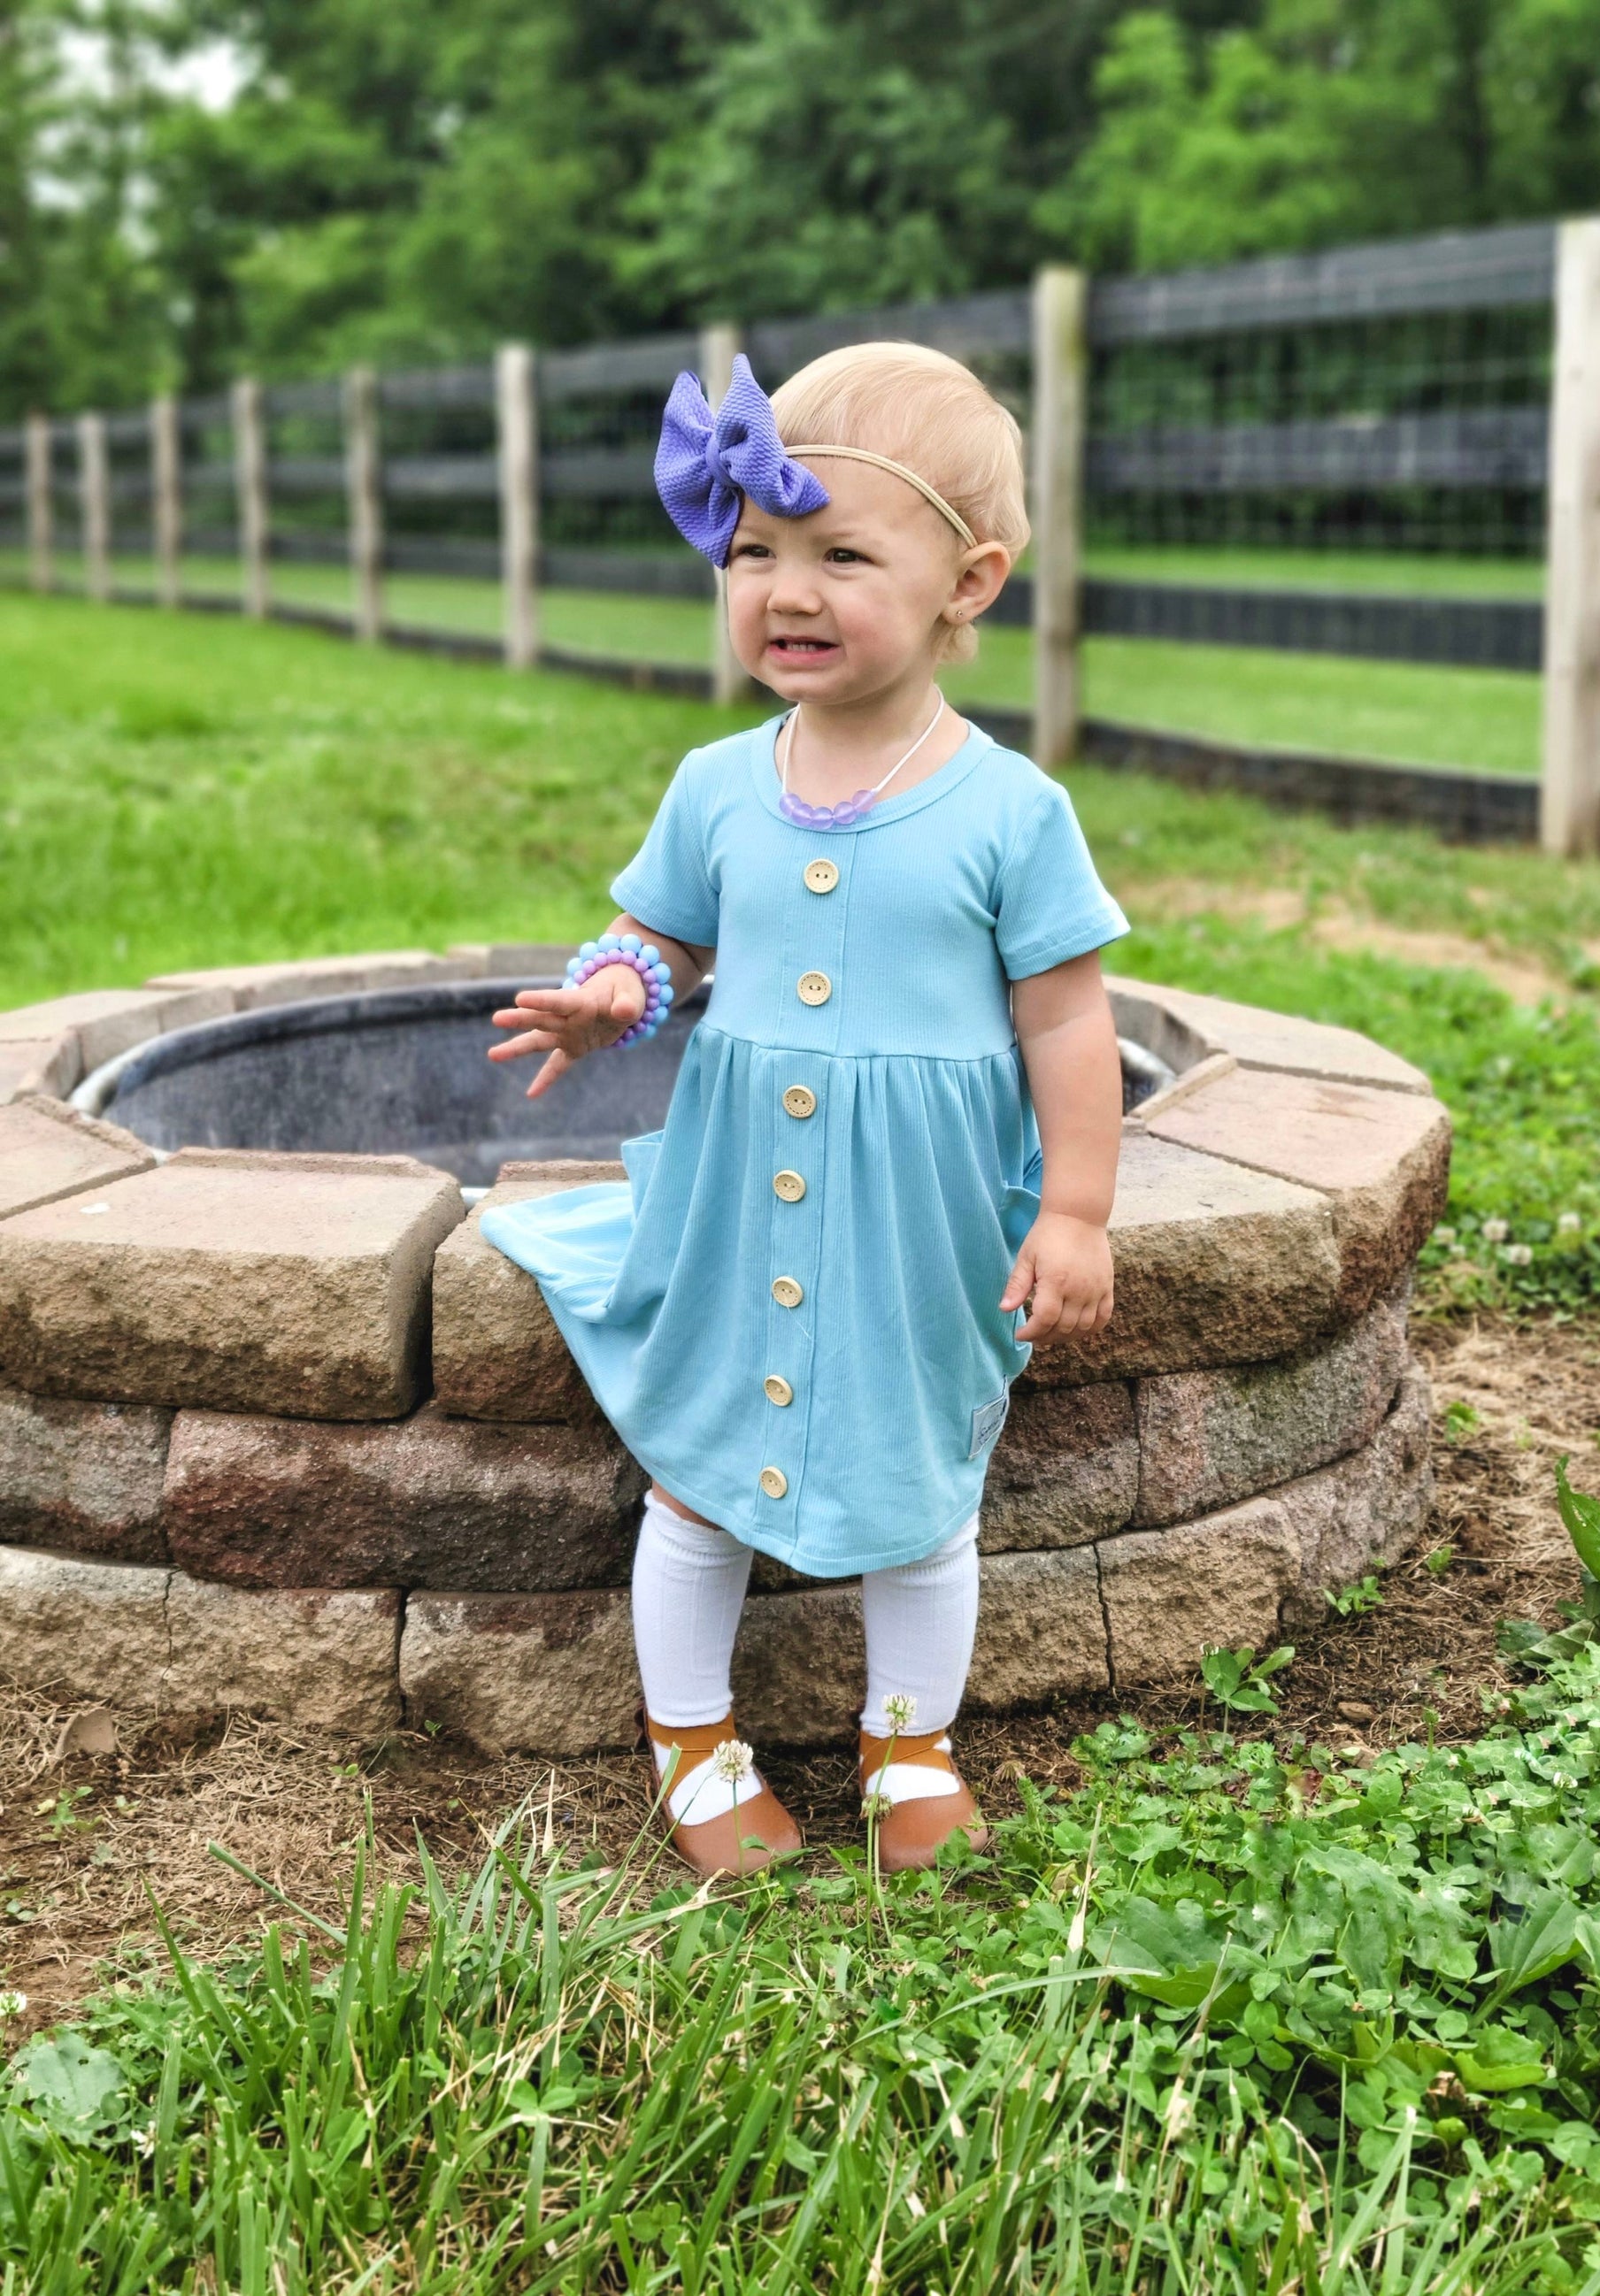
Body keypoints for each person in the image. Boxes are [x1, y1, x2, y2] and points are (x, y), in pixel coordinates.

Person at [482, 342, 1127, 1877]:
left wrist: (1075, 1210)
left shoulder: (1009, 809)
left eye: (840, 555)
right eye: (753, 552)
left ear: (968, 582)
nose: (785, 590)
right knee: (699, 1477)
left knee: (923, 1492)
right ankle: (692, 1745)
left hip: (918, 1219)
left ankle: (909, 1745)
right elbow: (666, 935)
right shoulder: (717, 783)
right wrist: (615, 988)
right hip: (738, 1196)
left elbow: (1065, 1018)